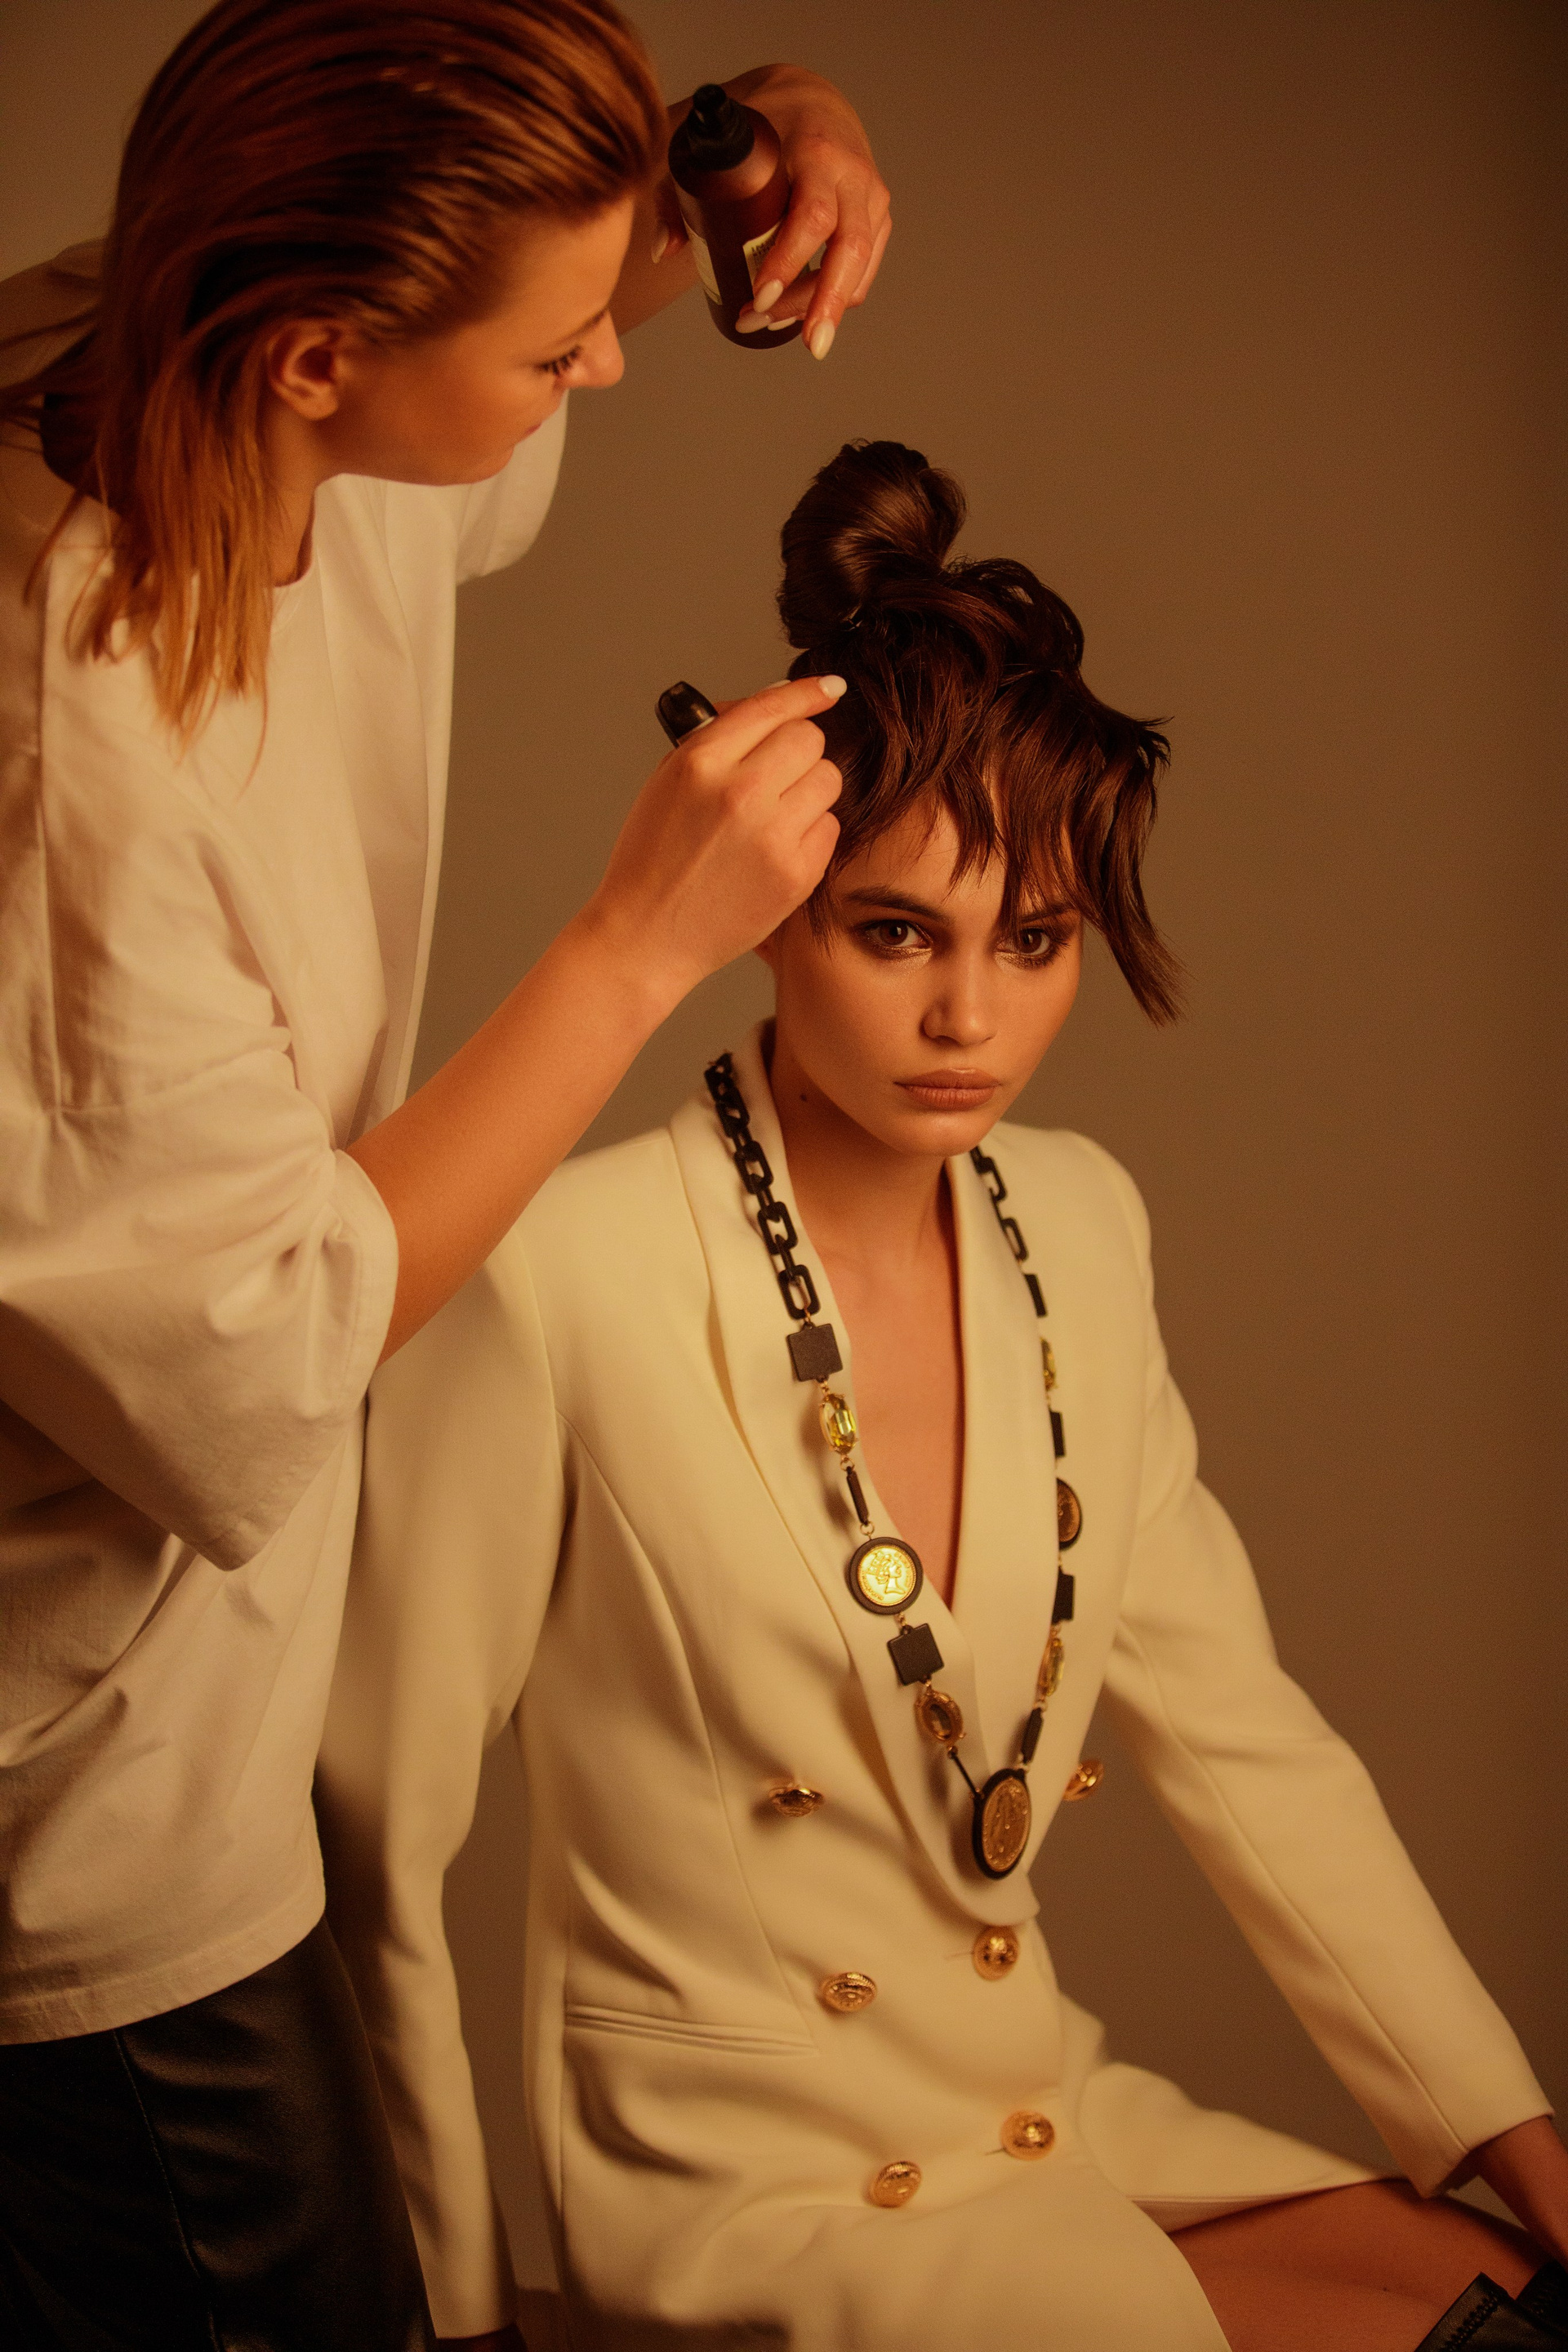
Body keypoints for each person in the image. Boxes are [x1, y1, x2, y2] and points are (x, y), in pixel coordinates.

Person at [318, 440, 1568, 2352]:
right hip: (748, 2193)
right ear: (775, 908)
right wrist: (448, 2308)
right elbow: (374, 1834)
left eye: (1035, 941)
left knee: (1518, 2293)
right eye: (895, 930)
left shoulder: (1083, 1223)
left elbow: (1244, 1737)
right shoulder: (560, 1269)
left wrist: (1511, 2131)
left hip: (1039, 2108)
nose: (969, 1017)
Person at [0, 6, 892, 2345]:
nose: (606, 367)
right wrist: (635, 951)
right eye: (561, 343)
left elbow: (519, 275)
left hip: (201, 1726)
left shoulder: (195, 348)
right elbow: (260, 1362)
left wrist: (750, 147)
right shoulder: (64, 775)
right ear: (319, 356)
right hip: (77, 1809)